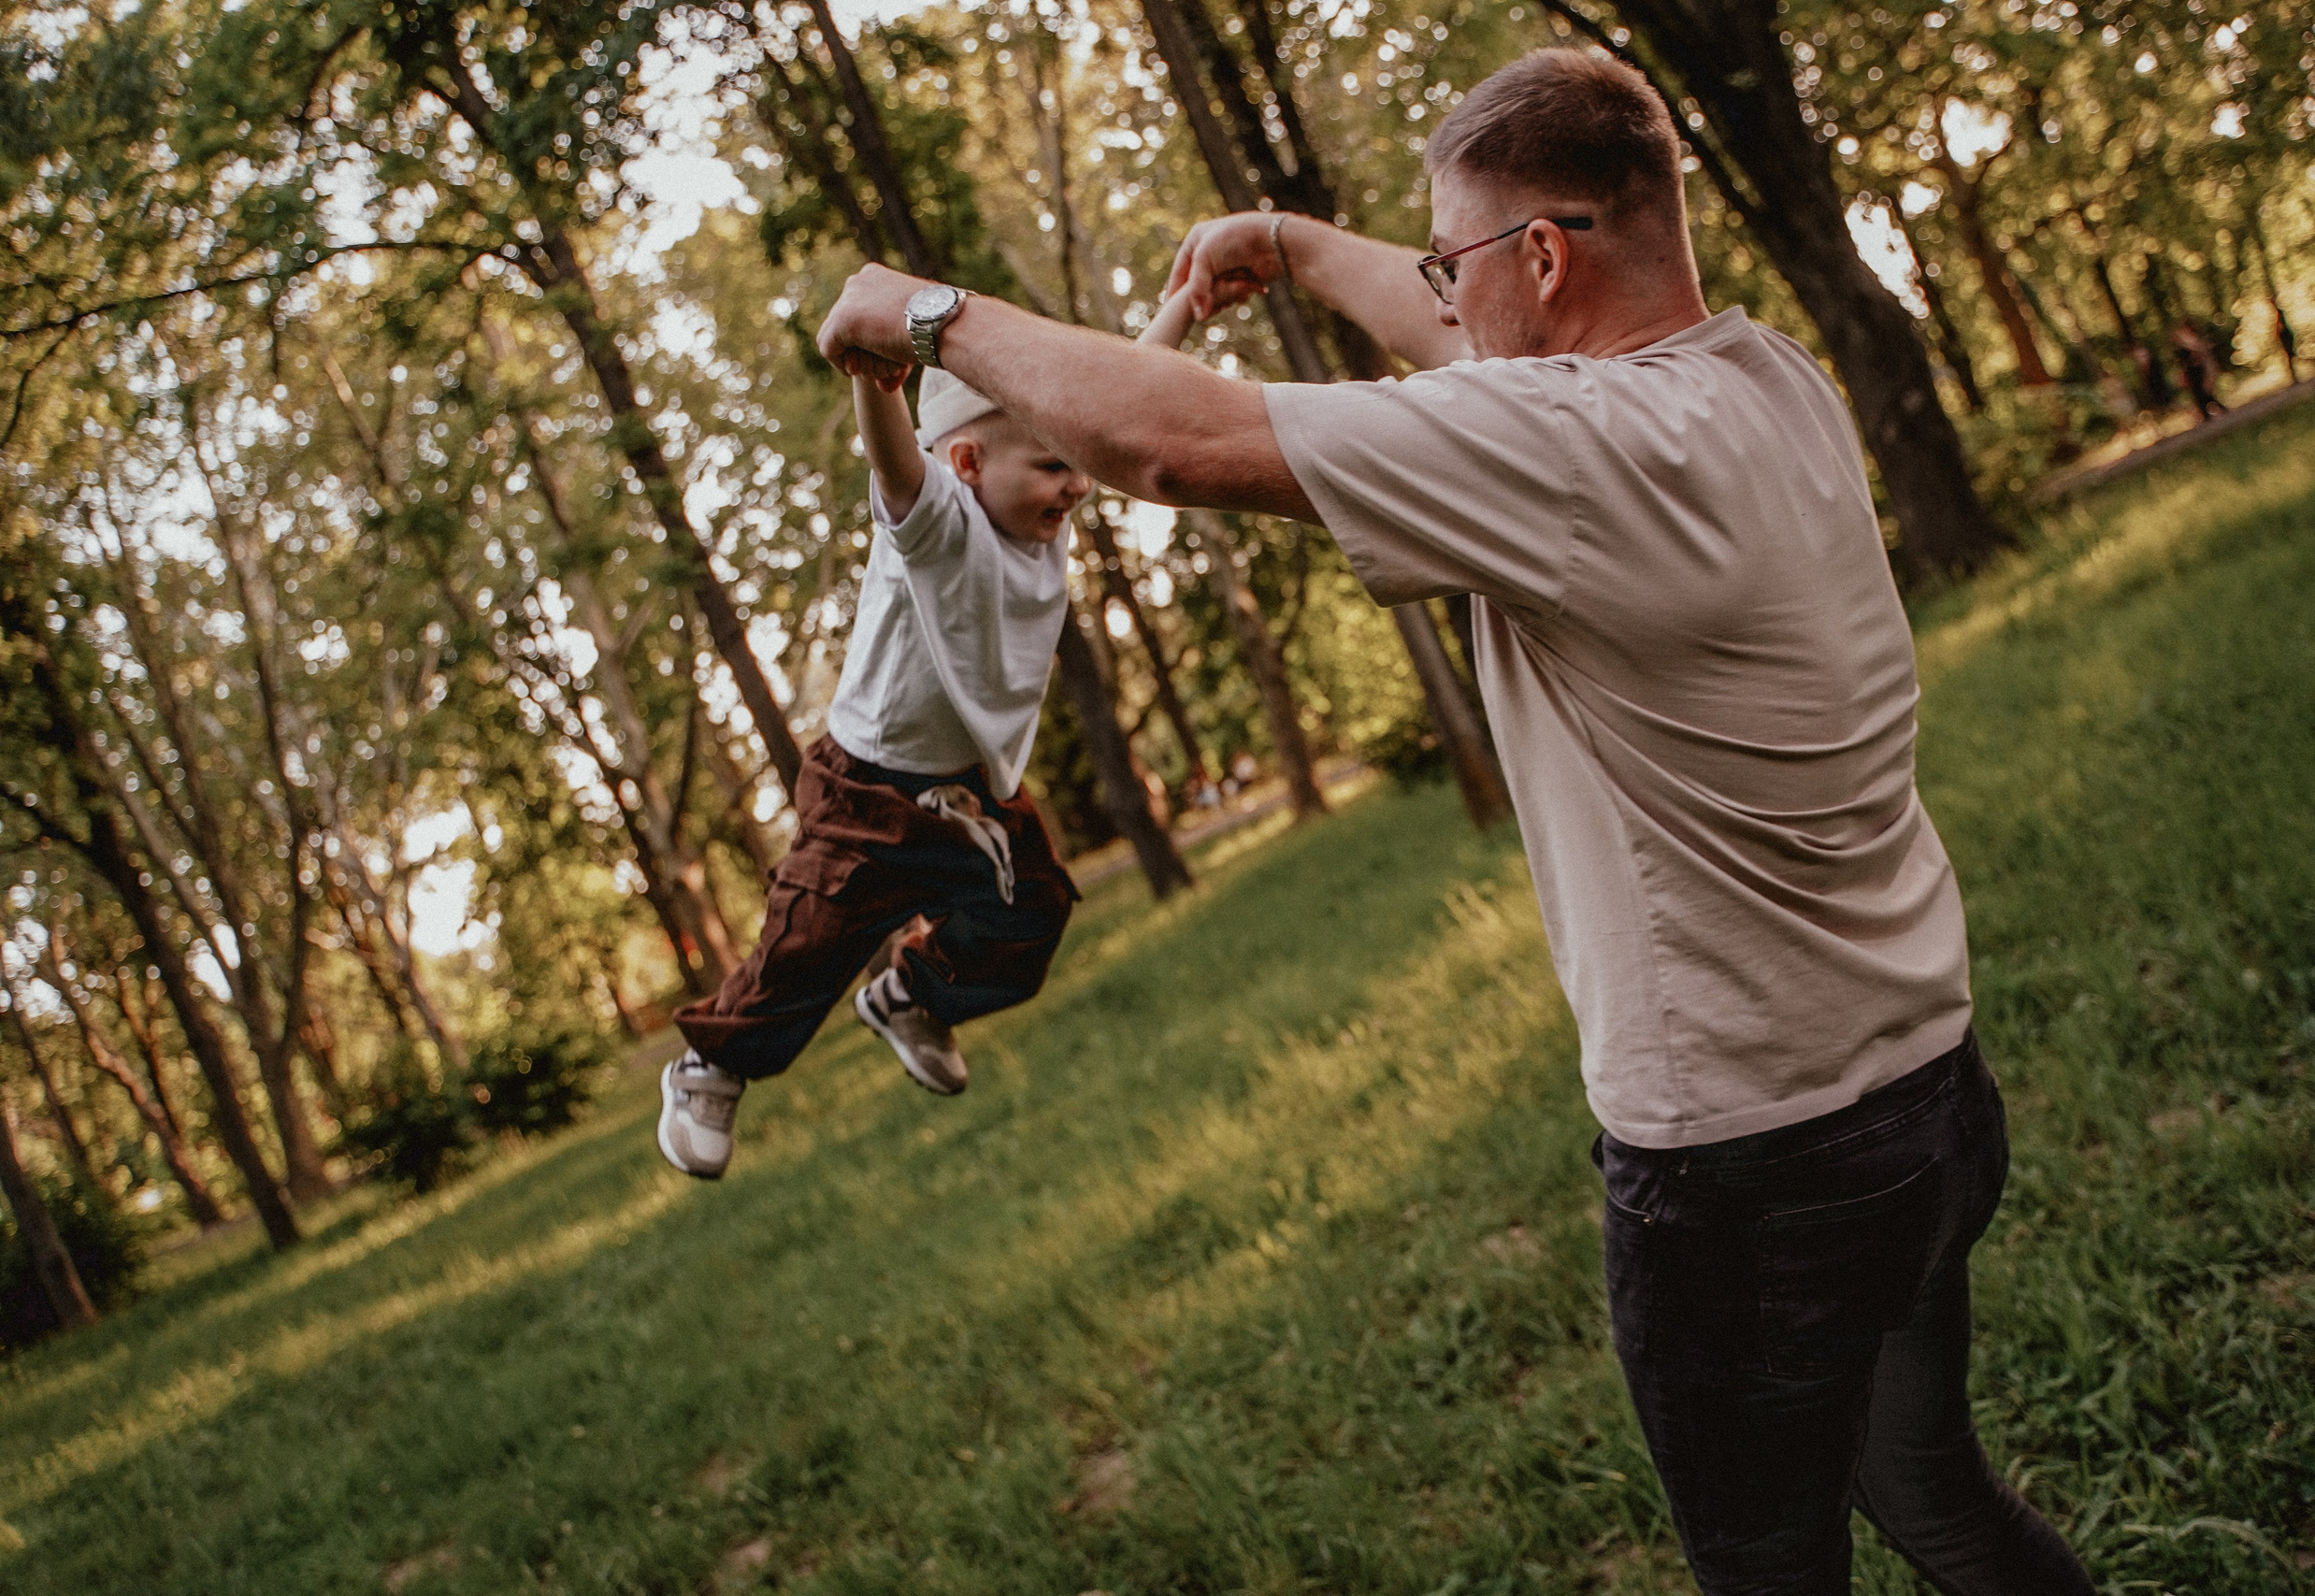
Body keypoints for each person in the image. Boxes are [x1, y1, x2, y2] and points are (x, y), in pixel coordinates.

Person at [812, 44, 2099, 1596]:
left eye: (1452, 260)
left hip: (1754, 1172)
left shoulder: (1562, 450)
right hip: (1928, 1087)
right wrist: (1284, 244)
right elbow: (1465, 325)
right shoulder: (1762, 378)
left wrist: (923, 317)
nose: (1436, 299)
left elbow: (1162, 440)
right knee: (1937, 1493)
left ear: (1543, 256)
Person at [654, 365, 1091, 1180]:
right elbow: (896, 464)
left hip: (971, 790)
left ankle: (911, 995)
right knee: (803, 952)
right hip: (870, 792)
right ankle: (711, 1067)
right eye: (1053, 467)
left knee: (1032, 915)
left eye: (1075, 464)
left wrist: (1182, 306)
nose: (1079, 485)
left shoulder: (1034, 516)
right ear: (964, 463)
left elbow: (1109, 403)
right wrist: (873, 373)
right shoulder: (935, 521)